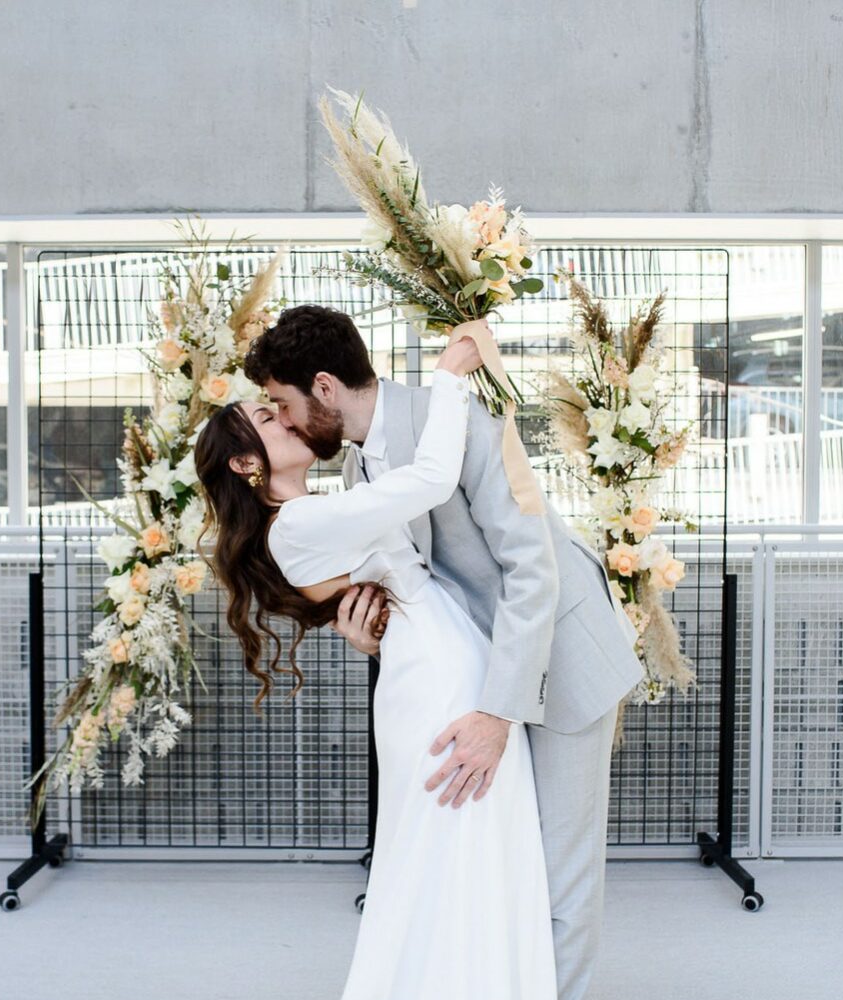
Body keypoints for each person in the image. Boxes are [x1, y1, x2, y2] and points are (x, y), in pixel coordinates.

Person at [241, 305, 646, 1000]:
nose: (282, 418)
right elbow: (414, 585)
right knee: (515, 871)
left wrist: (497, 713)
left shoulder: (457, 420)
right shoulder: (353, 474)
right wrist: (368, 629)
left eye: (283, 403)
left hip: (563, 659)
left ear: (326, 388)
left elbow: (533, 570)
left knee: (560, 880)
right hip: (489, 668)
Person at [194, 331, 558, 1000]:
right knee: (455, 850)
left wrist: (356, 628)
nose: (286, 416)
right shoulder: (297, 525)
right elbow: (429, 482)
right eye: (270, 417)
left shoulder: (316, 506)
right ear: (247, 463)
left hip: (437, 659)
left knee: (464, 857)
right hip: (437, 679)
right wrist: (447, 376)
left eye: (279, 403)